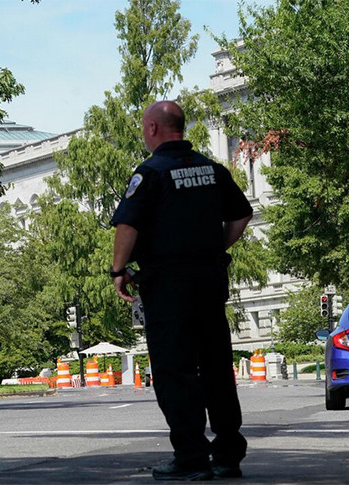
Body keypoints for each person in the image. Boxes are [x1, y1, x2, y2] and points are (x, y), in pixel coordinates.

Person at [110, 100, 253, 481]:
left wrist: (118, 270)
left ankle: (191, 457)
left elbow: (127, 226)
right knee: (217, 367)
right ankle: (228, 454)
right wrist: (214, 248)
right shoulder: (212, 169)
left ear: (153, 128)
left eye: (144, 128)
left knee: (176, 370)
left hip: (168, 285)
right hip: (209, 281)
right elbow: (242, 214)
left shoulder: (150, 172)